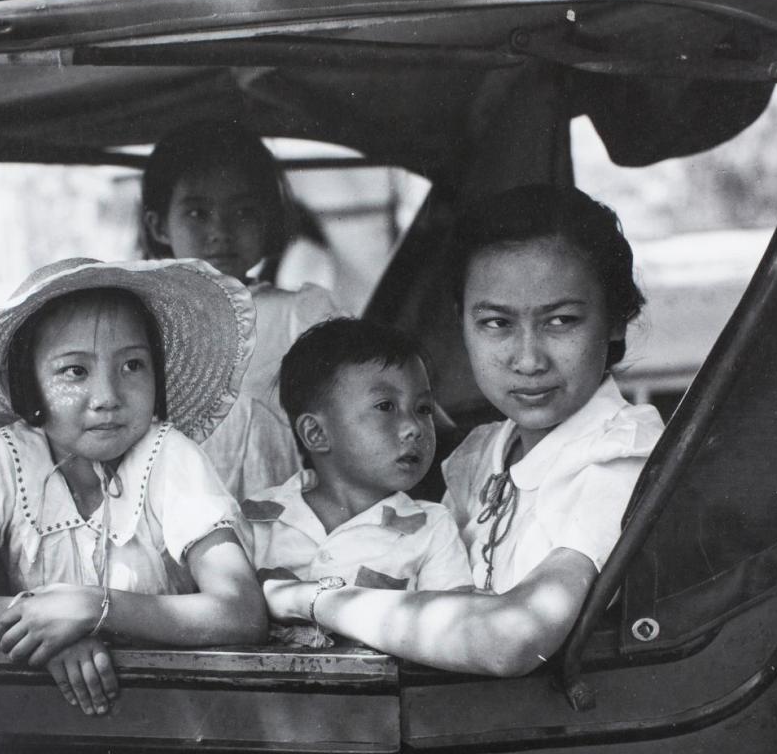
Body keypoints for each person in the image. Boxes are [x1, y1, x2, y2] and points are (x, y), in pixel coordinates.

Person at [262, 185, 665, 676]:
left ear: (617, 321)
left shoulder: (620, 462)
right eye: (496, 323)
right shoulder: (485, 450)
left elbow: (511, 638)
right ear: (462, 324)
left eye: (561, 321)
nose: (528, 359)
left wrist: (313, 600)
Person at [0, 257, 267, 716]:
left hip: (178, 712)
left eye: (132, 364)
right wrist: (38, 625)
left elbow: (241, 612)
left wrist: (94, 608)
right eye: (74, 371)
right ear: (29, 389)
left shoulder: (170, 457)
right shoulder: (3, 459)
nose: (108, 396)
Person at [140, 120, 342, 498]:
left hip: (279, 523)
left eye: (243, 211)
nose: (221, 230)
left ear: (268, 219)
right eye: (197, 213)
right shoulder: (139, 324)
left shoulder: (302, 316)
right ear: (159, 226)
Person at [242, 319, 473, 645]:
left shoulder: (432, 528)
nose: (414, 427)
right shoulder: (256, 519)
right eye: (385, 407)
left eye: (423, 409)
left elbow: (455, 629)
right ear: (316, 433)